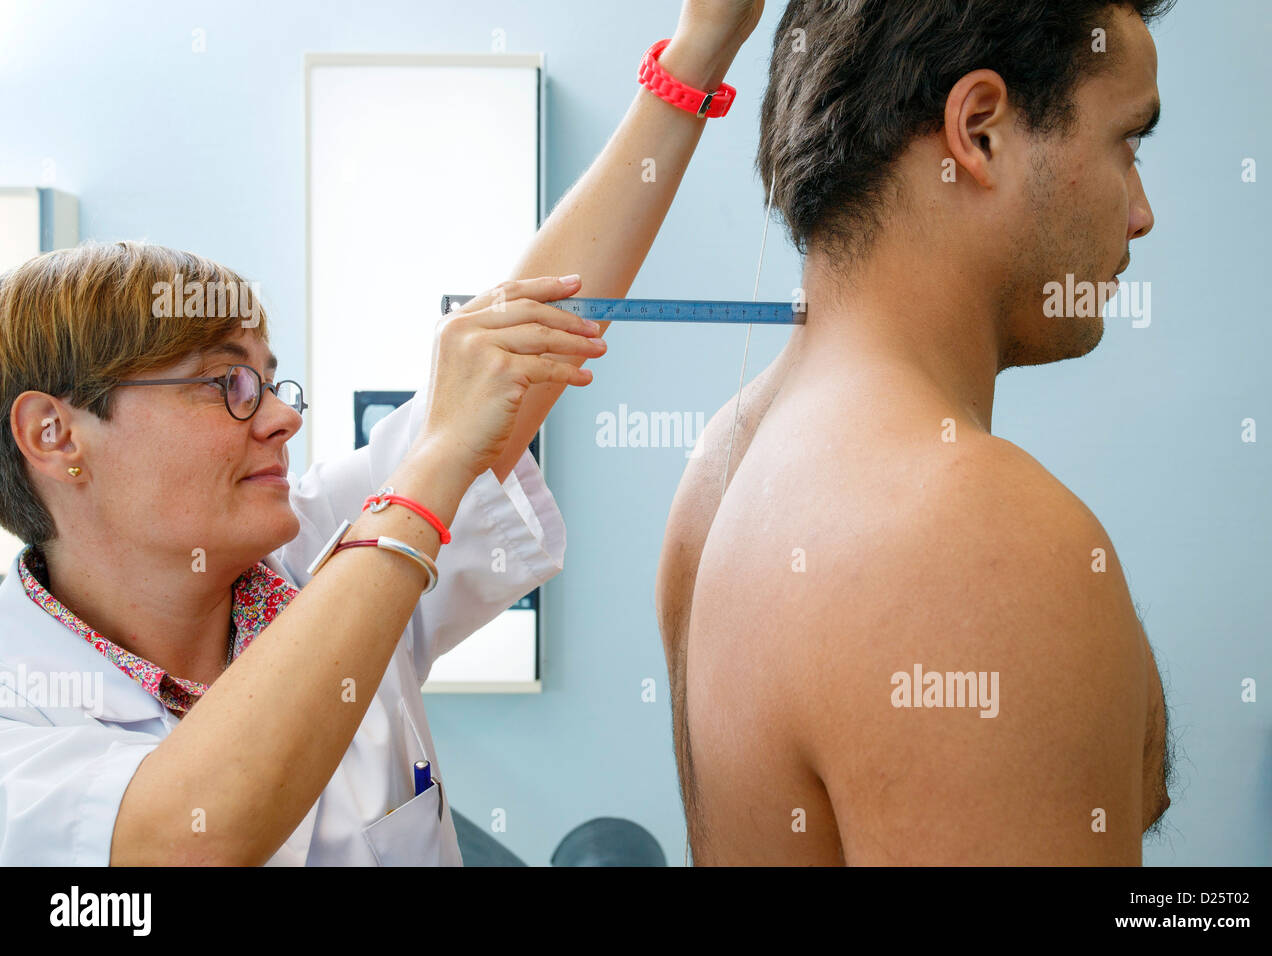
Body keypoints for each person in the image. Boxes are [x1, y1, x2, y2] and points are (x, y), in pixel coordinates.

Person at [0, 0, 766, 865]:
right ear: (55, 434)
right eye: (230, 385)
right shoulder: (17, 706)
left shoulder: (314, 547)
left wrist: (700, 51)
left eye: (273, 378)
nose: (286, 416)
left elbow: (542, 321)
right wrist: (435, 462)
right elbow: (183, 839)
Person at [657, 0, 1175, 864]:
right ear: (979, 131)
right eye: (1127, 143)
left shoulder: (722, 464)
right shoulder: (975, 537)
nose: (1141, 211)